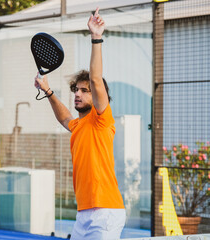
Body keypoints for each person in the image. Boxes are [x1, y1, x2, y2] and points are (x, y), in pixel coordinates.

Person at [34, 8, 125, 240]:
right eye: (76, 90)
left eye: (85, 91)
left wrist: (96, 37)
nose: (78, 94)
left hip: (106, 212)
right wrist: (47, 90)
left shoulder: (101, 120)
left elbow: (96, 78)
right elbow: (65, 117)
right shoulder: (78, 126)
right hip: (84, 213)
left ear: (96, 95)